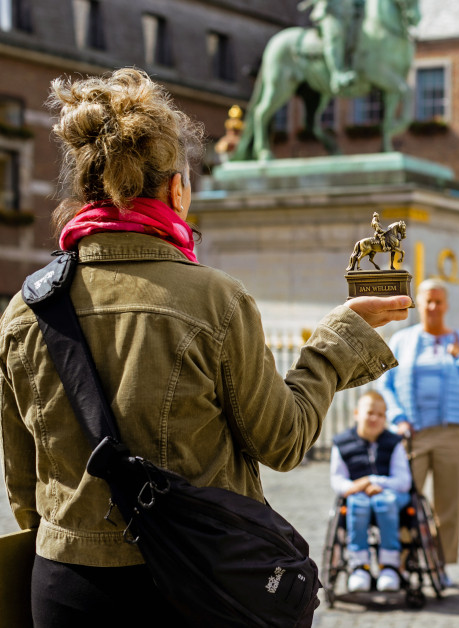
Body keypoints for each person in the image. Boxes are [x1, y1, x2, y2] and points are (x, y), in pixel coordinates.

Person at [0, 68, 410, 626]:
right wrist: (334, 344)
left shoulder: (27, 308)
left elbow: (25, 484)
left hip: (65, 584)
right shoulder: (214, 299)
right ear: (176, 190)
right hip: (191, 582)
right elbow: (284, 441)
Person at [379, 278, 459, 575]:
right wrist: (398, 416)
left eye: (438, 301)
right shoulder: (403, 340)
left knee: (448, 505)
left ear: (446, 305)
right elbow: (386, 384)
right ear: (418, 303)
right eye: (427, 301)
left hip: (456, 432)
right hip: (412, 432)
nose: (432, 307)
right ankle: (402, 562)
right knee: (403, 499)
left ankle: (439, 564)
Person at [329, 390, 412, 593]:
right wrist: (356, 487)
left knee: (385, 501)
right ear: (357, 413)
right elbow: (337, 479)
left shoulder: (394, 443)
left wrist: (375, 482)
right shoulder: (342, 443)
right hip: (358, 498)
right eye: (370, 413)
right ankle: (359, 566)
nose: (375, 418)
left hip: (391, 497)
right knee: (358, 502)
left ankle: (390, 566)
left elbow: (403, 482)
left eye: (381, 414)